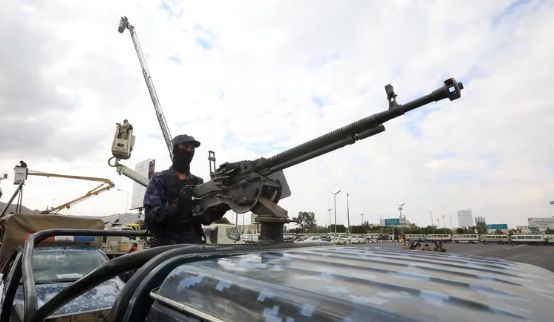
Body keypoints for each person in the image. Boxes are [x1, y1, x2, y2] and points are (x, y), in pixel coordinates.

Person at [143, 134, 229, 247]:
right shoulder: (160, 178)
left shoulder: (197, 182)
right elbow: (150, 217)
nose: (188, 151)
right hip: (164, 250)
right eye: (184, 147)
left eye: (191, 149)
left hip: (192, 250)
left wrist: (223, 206)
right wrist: (176, 204)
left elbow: (206, 218)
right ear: (175, 150)